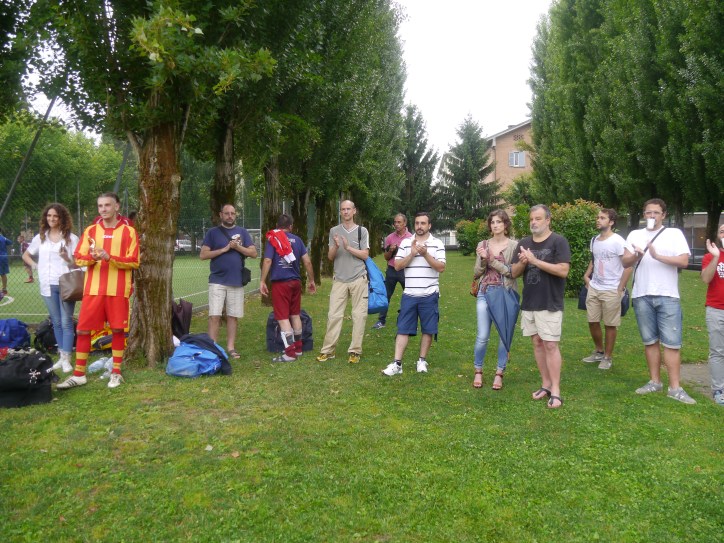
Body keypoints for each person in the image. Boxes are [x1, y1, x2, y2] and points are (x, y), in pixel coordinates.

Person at [57, 192, 139, 390]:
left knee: (118, 330)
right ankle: (79, 375)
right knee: (83, 330)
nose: (103, 209)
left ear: (116, 207)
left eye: (107, 205)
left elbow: (134, 261)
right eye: (100, 206)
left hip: (118, 290)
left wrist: (110, 257)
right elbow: (79, 258)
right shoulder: (91, 231)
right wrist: (94, 258)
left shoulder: (129, 232)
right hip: (93, 290)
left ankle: (116, 372)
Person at [622, 198, 695, 404]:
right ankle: (655, 382)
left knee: (672, 343)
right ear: (643, 214)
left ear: (664, 215)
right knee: (650, 341)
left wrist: (657, 256)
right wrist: (636, 256)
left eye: (656, 212)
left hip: (667, 295)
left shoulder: (674, 234)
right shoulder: (635, 235)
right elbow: (625, 261)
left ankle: (675, 388)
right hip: (642, 294)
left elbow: (684, 261)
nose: (651, 216)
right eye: (648, 212)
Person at [511, 204, 570, 409]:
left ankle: (556, 391)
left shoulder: (558, 241)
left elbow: (563, 271)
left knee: (550, 344)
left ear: (548, 220)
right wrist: (524, 262)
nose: (533, 222)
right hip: (530, 301)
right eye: (531, 219)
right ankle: (545, 385)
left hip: (549, 301)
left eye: (538, 218)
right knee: (537, 342)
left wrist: (535, 260)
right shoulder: (524, 243)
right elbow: (514, 272)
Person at [381, 212, 446, 376]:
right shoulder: (405, 243)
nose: (419, 226)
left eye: (423, 223)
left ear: (429, 225)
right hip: (409, 294)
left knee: (428, 329)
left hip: (429, 293)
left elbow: (441, 267)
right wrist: (412, 253)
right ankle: (397, 364)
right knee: (402, 329)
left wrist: (425, 254)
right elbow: (397, 266)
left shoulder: (437, 243)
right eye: (417, 223)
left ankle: (422, 361)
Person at [22, 204, 79, 373]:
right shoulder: (40, 237)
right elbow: (26, 254)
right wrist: (35, 265)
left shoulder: (71, 238)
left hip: (66, 285)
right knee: (56, 322)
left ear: (62, 218)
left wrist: (66, 257)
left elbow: (77, 264)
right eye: (49, 216)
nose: (51, 219)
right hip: (47, 285)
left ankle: (67, 358)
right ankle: (62, 356)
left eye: (55, 216)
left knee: (66, 321)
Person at [199, 204, 258, 360]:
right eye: (227, 213)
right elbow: (203, 255)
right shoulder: (212, 233)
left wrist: (237, 247)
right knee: (214, 315)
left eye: (232, 213)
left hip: (236, 281)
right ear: (221, 215)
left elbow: (253, 253)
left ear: (235, 215)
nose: (230, 216)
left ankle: (231, 348)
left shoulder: (243, 232)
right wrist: (224, 249)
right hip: (217, 281)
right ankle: (212, 348)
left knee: (233, 316)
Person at [316, 200, 370, 364]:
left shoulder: (362, 231)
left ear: (354, 211)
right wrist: (336, 246)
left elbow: (365, 255)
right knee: (334, 315)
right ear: (340, 212)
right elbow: (330, 257)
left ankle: (355, 351)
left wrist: (348, 248)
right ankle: (328, 350)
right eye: (343, 209)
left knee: (358, 316)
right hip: (339, 279)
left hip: (358, 278)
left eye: (348, 209)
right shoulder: (334, 231)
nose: (346, 212)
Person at [260, 214, 317, 362]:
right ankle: (298, 349)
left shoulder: (273, 239)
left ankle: (290, 354)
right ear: (291, 226)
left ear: (277, 226)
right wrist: (311, 280)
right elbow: (307, 262)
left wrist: (262, 281)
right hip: (295, 282)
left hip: (281, 283)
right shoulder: (298, 240)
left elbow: (267, 260)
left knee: (282, 317)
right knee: (295, 314)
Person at [580, 208, 632, 370]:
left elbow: (628, 265)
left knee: (610, 324)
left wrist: (620, 287)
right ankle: (599, 351)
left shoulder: (618, 241)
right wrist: (586, 276)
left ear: (611, 222)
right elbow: (594, 259)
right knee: (592, 321)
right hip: (595, 287)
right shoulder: (594, 240)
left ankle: (608, 357)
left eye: (602, 218)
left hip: (612, 289)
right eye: (598, 217)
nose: (598, 220)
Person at [472, 210, 518, 390]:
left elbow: (511, 272)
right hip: (485, 292)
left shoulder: (514, 245)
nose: (495, 225)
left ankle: (499, 372)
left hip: (505, 293)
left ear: (505, 225)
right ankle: (478, 370)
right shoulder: (483, 244)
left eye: (499, 222)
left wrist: (490, 259)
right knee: (483, 336)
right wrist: (483, 260)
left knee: (503, 336)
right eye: (492, 222)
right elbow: (477, 272)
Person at [371, 213, 412, 330]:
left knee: (410, 296)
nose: (396, 224)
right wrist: (390, 251)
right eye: (395, 222)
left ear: (405, 223)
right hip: (392, 270)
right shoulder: (389, 238)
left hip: (405, 271)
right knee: (386, 295)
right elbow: (386, 257)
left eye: (399, 222)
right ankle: (381, 321)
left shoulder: (411, 238)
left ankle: (409, 320)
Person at [701, 223, 724, 405]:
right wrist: (716, 257)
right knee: (717, 351)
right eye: (722, 231)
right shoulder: (710, 256)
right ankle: (719, 390)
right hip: (716, 310)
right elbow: (706, 279)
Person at [0, 229, 10, 296]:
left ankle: (4, 289)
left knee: (2, 273)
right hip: (4, 257)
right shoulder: (3, 238)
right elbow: (10, 242)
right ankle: (4, 289)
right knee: (3, 273)